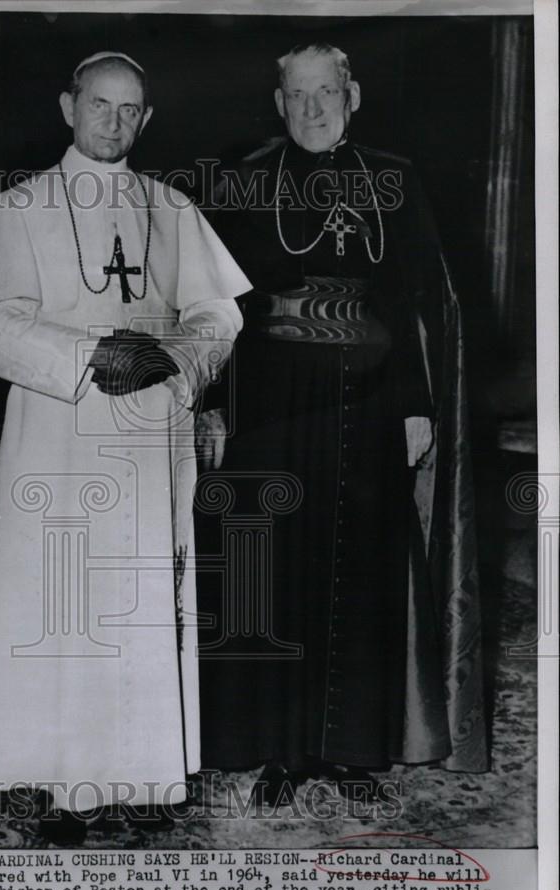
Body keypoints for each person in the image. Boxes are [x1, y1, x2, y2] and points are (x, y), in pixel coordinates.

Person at [0, 52, 251, 844]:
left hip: (151, 430)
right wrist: (88, 360)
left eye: (129, 111)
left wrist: (175, 360)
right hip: (59, 429)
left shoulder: (172, 208)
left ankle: (144, 772)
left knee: (145, 599)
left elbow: (219, 315)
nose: (113, 123)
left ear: (145, 120)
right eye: (99, 106)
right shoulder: (19, 206)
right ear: (68, 107)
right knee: (65, 605)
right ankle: (61, 782)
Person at [196, 42, 487, 805]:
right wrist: (216, 406)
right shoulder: (245, 180)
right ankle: (276, 749)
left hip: (369, 398)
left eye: (326, 92)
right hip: (267, 400)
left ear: (351, 96)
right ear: (278, 102)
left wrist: (418, 404)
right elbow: (213, 309)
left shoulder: (392, 179)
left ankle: (352, 747)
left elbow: (417, 300)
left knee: (360, 573)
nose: (313, 109)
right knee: (270, 568)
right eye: (298, 95)